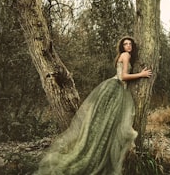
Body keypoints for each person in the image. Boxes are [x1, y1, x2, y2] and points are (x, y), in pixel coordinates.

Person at [35, 36, 152, 175]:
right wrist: (142, 74)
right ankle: (96, 156)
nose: (128, 46)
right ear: (122, 47)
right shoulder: (125, 55)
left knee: (106, 123)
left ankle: (98, 152)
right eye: (125, 44)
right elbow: (123, 77)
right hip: (116, 88)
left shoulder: (125, 56)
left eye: (130, 44)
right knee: (109, 123)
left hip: (115, 88)